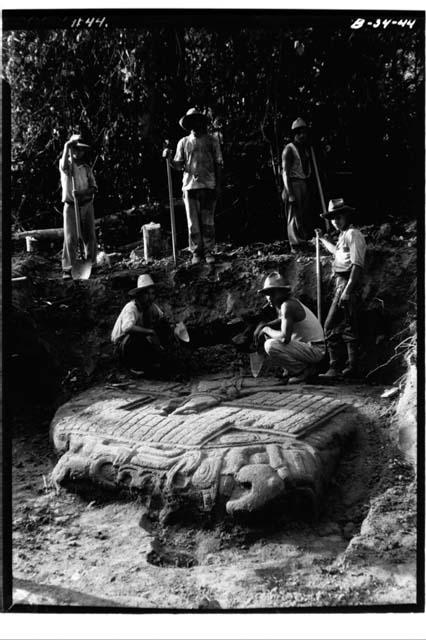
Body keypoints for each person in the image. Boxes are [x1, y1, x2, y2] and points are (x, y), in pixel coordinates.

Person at [164, 108, 223, 265]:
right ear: (189, 124)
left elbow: (218, 163)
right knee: (193, 223)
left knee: (208, 222)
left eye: (198, 121)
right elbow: (178, 165)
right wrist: (169, 158)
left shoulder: (212, 140)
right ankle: (196, 252)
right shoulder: (183, 142)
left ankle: (209, 251)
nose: (195, 124)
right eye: (192, 121)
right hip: (190, 186)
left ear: (202, 122)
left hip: (208, 185)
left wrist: (218, 185)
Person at [316, 198, 367, 379]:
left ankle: (341, 368)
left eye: (339, 216)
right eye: (332, 218)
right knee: (341, 326)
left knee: (338, 327)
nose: (336, 221)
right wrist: (322, 238)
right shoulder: (342, 235)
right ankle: (344, 368)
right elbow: (336, 252)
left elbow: (357, 265)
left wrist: (347, 290)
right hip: (340, 284)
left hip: (348, 284)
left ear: (346, 215)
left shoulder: (353, 234)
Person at [254, 272, 326, 383]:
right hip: (310, 348)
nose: (269, 298)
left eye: (272, 293)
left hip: (315, 349)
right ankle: (294, 370)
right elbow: (282, 321)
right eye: (267, 294)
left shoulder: (287, 306)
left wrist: (265, 329)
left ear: (283, 292)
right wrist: (266, 325)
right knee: (271, 336)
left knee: (270, 344)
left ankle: (301, 371)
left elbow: (284, 338)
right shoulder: (288, 303)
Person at [111, 274, 174, 376]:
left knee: (162, 326)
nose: (150, 297)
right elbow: (127, 328)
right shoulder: (131, 308)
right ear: (139, 295)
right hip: (123, 344)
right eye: (147, 294)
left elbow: (163, 318)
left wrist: (171, 328)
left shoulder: (151, 306)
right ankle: (134, 366)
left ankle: (155, 361)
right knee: (136, 336)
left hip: (141, 339)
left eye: (152, 293)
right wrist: (150, 332)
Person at [59, 134, 98, 279]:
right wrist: (66, 146)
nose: (78, 152)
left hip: (86, 205)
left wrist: (82, 193)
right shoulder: (67, 165)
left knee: (90, 236)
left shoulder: (86, 168)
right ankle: (68, 268)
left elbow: (94, 188)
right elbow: (63, 166)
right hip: (70, 206)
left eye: (81, 150)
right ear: (72, 150)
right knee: (71, 237)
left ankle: (91, 264)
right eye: (75, 149)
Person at [281, 117, 314, 253]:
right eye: (299, 133)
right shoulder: (289, 149)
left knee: (301, 214)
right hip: (292, 184)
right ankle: (294, 245)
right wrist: (290, 194)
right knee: (292, 214)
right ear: (295, 134)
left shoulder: (305, 149)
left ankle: (302, 241)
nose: (302, 135)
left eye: (304, 133)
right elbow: (285, 173)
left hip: (302, 183)